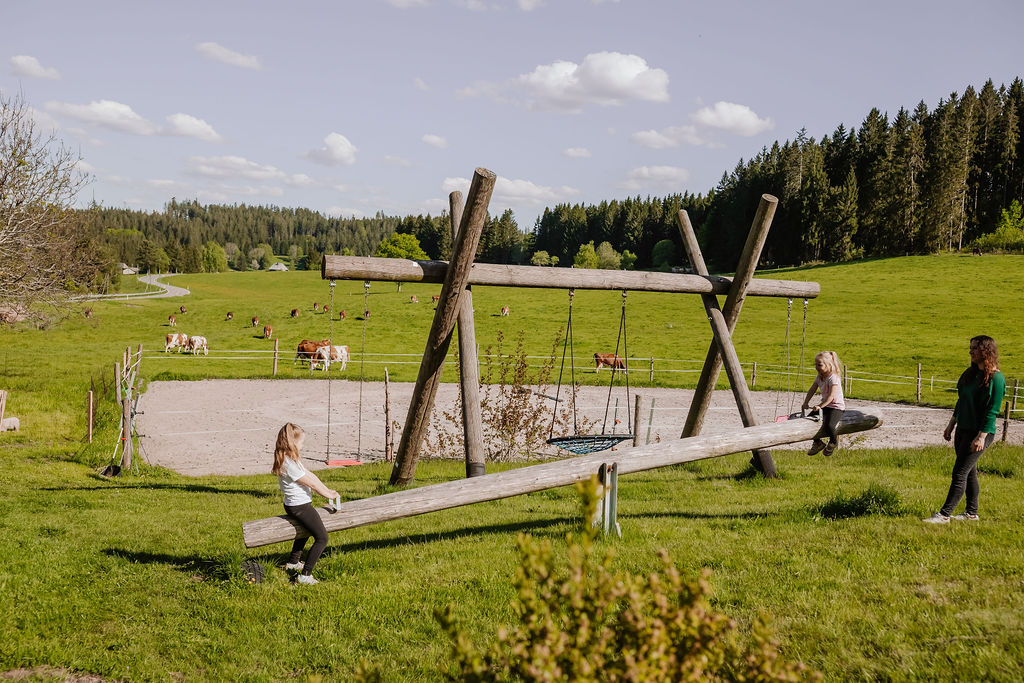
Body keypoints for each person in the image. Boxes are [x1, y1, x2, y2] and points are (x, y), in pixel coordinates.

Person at [923, 335, 1006, 524]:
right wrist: (951, 425)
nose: (971, 352)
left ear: (986, 351)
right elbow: (962, 402)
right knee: (969, 471)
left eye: (975, 348)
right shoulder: (970, 374)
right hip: (963, 429)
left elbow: (992, 411)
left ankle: (944, 514)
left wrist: (981, 437)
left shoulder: (996, 378)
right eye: (970, 348)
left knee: (960, 472)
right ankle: (971, 513)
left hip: (980, 433)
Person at [272, 422, 339, 584]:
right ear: (293, 442)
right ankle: (305, 576)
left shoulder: (292, 459)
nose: (303, 445)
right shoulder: (289, 464)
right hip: (299, 507)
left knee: (306, 529)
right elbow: (311, 484)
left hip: (296, 505)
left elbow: (311, 476)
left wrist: (328, 491)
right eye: (301, 442)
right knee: (322, 538)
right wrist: (326, 493)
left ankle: (293, 563)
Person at [801, 351, 846, 456]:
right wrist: (806, 402)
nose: (816, 367)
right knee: (809, 420)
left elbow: (831, 396)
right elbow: (812, 389)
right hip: (826, 405)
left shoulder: (833, 378)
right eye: (815, 364)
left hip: (836, 407)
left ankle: (833, 442)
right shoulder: (820, 377)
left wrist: (820, 406)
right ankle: (818, 443)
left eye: (819, 365)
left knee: (829, 425)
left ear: (829, 365)